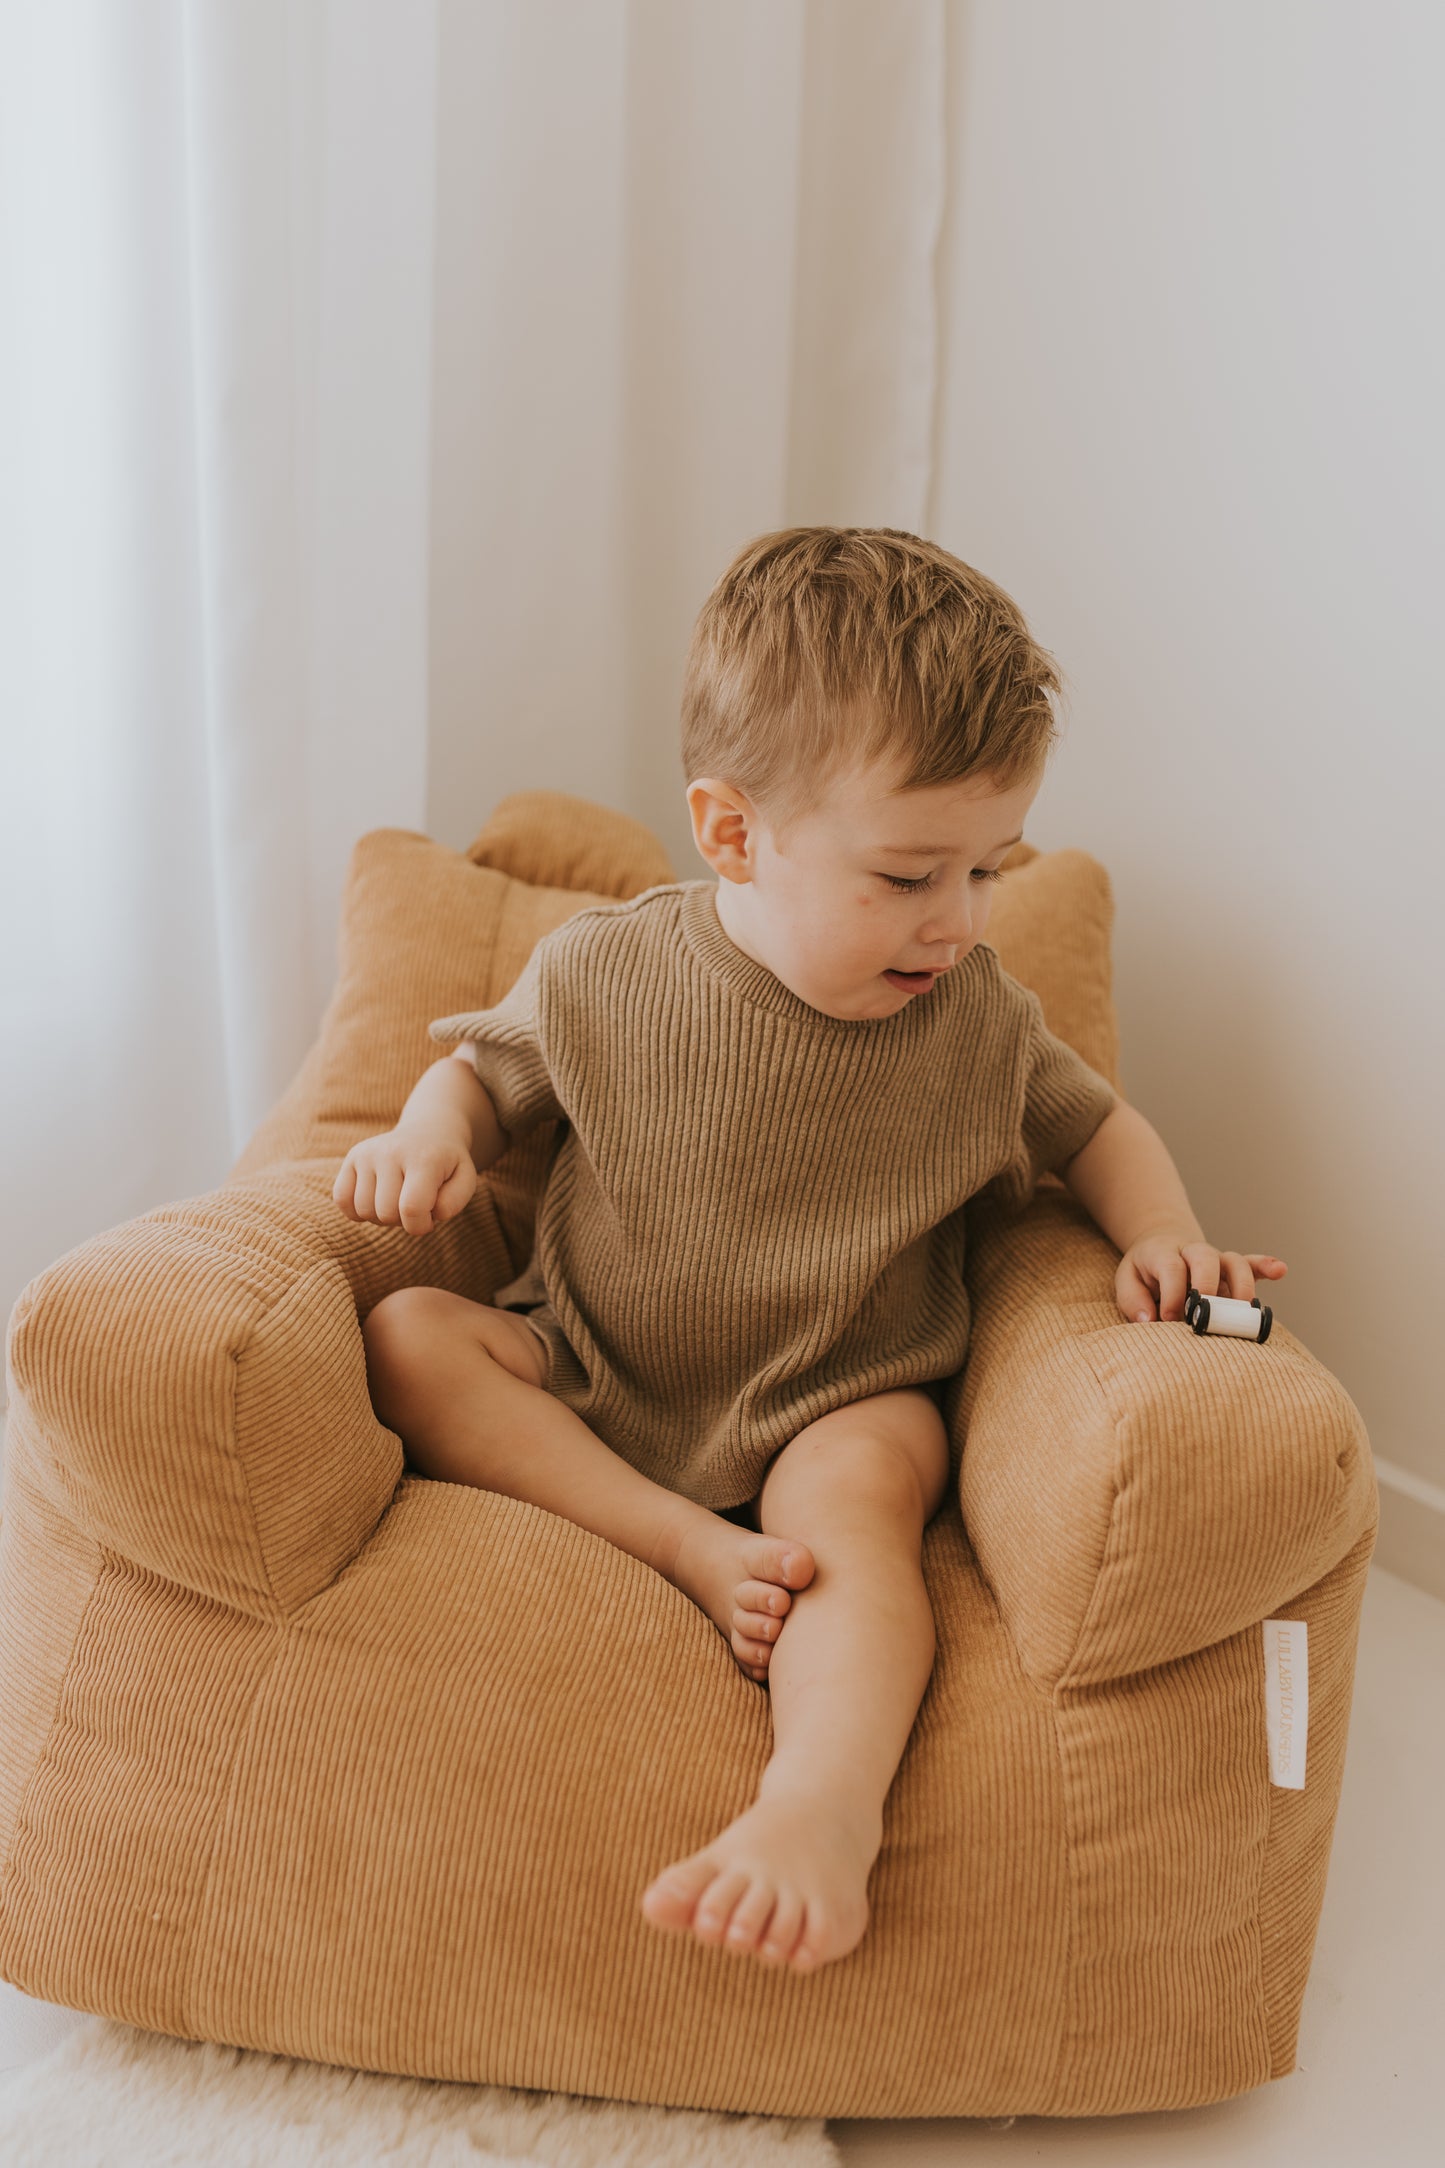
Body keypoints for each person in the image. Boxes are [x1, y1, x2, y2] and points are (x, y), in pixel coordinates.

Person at [334, 526, 1287, 1979]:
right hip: (594, 1356)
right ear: (731, 835)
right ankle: (686, 1548)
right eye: (910, 875)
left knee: (852, 1513)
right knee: (408, 1338)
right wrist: (428, 1138)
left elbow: (1098, 1130)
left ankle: (818, 1810)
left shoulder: (974, 1024)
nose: (958, 923)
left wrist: (1164, 1232)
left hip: (844, 1384)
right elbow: (481, 1078)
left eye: (985, 867)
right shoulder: (605, 972)